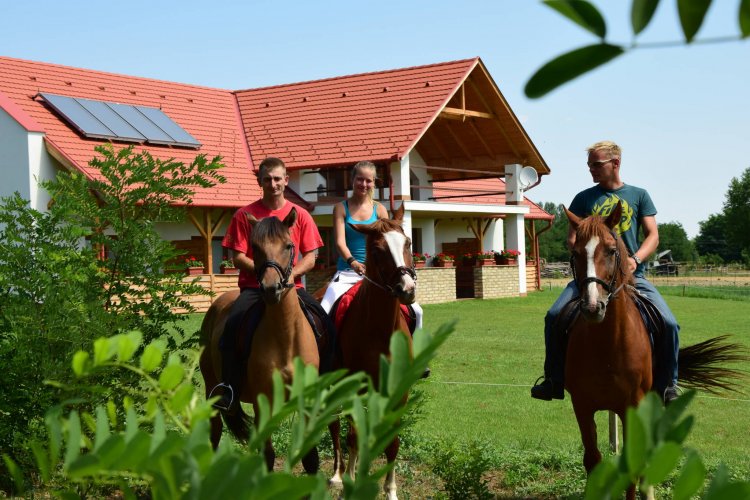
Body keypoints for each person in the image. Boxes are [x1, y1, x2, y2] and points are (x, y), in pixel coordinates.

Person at [531, 141, 680, 404]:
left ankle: (668, 386)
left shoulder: (639, 195)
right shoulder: (584, 198)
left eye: (597, 164)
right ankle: (553, 380)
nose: (592, 170)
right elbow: (572, 238)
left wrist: (635, 260)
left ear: (616, 163)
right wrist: (586, 257)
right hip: (591, 277)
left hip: (633, 278)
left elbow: (653, 236)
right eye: (589, 165)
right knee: (553, 316)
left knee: (668, 323)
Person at [211, 156, 325, 411]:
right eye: (267, 179)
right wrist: (265, 275)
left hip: (292, 288)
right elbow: (238, 256)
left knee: (324, 322)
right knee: (232, 326)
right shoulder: (245, 215)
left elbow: (311, 256)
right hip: (254, 289)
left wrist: (291, 275)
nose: (273, 184)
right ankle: (227, 387)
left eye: (277, 178)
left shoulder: (300, 215)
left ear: (286, 180)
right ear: (260, 182)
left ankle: (327, 384)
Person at [320, 161, 423, 332]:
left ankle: (415, 354)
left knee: (417, 312)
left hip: (378, 276)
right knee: (324, 311)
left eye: (369, 180)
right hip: (347, 273)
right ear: (352, 180)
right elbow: (339, 242)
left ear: (374, 182)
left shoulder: (380, 210)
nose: (364, 184)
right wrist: (353, 262)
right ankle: (328, 356)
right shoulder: (340, 208)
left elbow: (388, 244)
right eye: (360, 179)